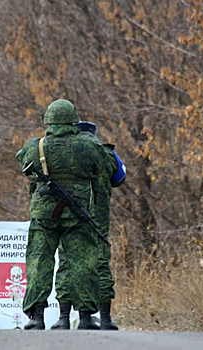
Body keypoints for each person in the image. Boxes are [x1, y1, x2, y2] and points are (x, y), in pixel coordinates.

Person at [16, 100, 113, 330]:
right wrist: (100, 222)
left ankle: (36, 317)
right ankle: (86, 317)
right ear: (73, 120)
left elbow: (21, 159)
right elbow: (102, 186)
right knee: (83, 263)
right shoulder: (89, 146)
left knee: (39, 261)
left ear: (48, 121)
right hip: (78, 215)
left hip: (43, 216)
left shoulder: (35, 146)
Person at [52, 121, 125, 330]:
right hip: (99, 219)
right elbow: (120, 177)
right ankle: (105, 319)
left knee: (66, 261)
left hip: (72, 216)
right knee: (100, 262)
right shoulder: (106, 153)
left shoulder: (68, 150)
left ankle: (64, 318)